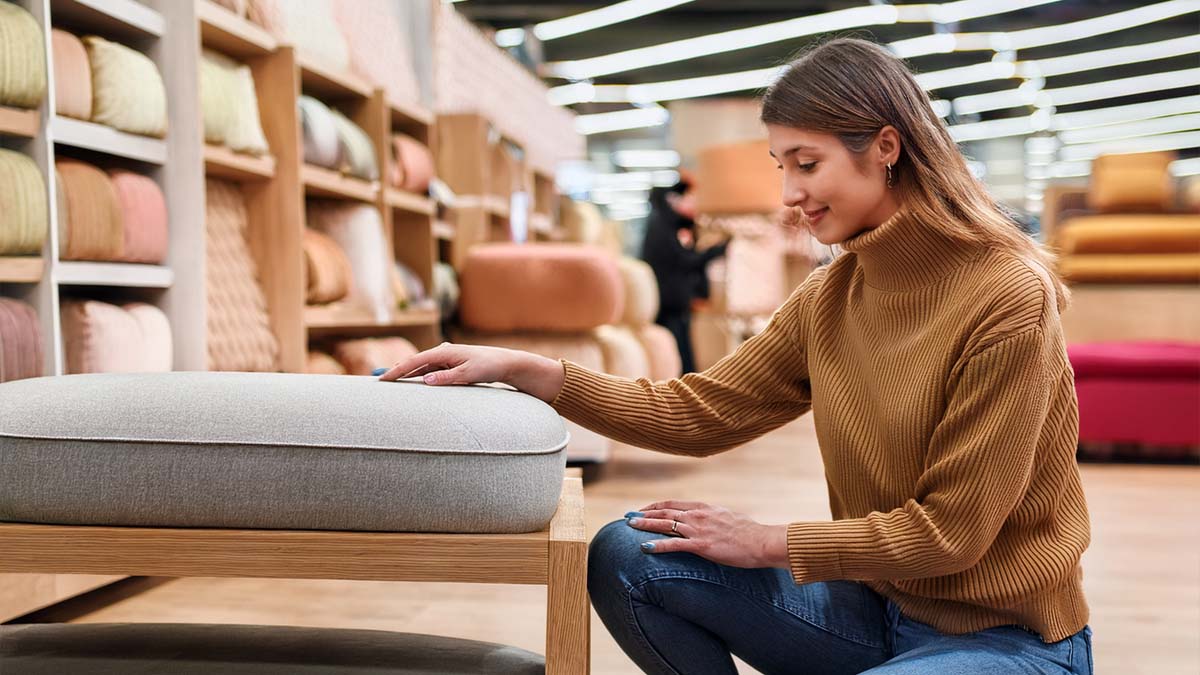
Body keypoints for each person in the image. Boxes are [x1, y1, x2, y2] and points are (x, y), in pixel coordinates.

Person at [381, 37, 1092, 675]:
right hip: (877, 614)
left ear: (885, 146)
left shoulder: (1005, 297)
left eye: (807, 164)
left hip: (1009, 639)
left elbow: (951, 534)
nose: (789, 195)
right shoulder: (832, 294)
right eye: (782, 166)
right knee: (628, 554)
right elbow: (699, 412)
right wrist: (533, 372)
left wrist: (765, 541)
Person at [641, 179, 728, 373]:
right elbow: (686, 261)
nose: (692, 203)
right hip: (669, 306)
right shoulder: (662, 227)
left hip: (672, 304)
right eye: (688, 198)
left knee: (680, 353)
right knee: (678, 356)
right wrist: (716, 250)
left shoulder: (666, 225)